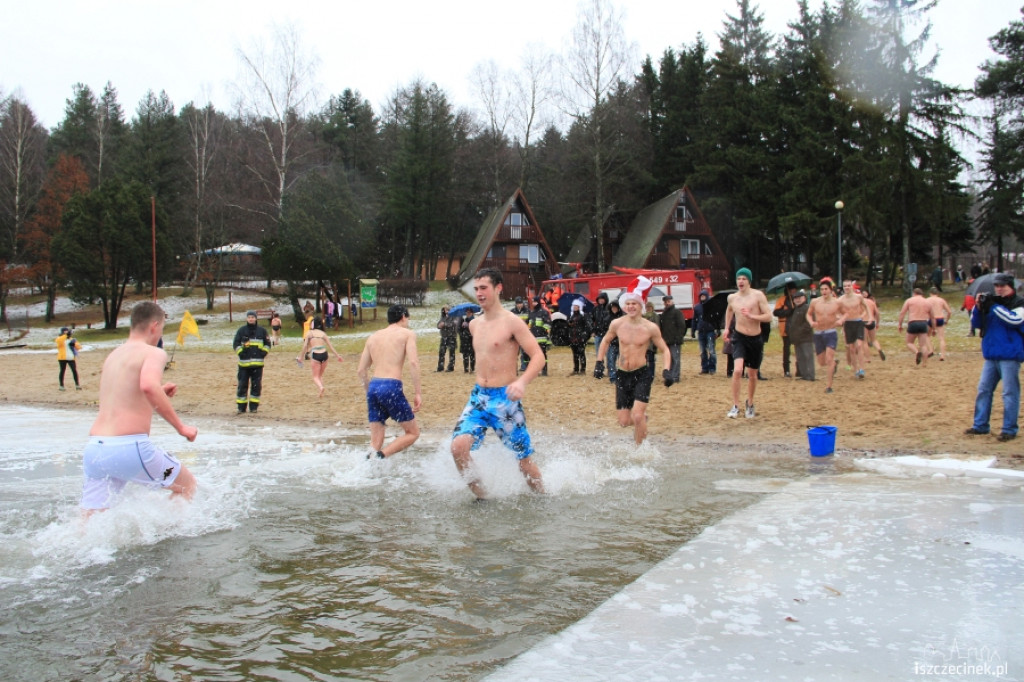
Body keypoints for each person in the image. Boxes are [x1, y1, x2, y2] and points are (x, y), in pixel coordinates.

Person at [80, 302, 198, 517]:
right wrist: (181, 427)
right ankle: (168, 538)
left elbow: (123, 396)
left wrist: (159, 391)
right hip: (130, 448)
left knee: (92, 517)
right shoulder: (153, 353)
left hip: (96, 449)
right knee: (186, 485)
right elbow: (147, 386)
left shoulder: (114, 355)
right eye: (161, 328)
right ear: (154, 326)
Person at [451, 268, 545, 499]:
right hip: (478, 398)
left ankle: (544, 498)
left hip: (506, 400)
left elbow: (538, 357)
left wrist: (522, 382)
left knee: (523, 460)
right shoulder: (474, 324)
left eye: (484, 288)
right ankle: (482, 498)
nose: (479, 293)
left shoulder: (512, 322)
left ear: (498, 288)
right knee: (458, 448)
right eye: (476, 289)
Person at [595, 277, 672, 444]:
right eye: (628, 303)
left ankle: (640, 449)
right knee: (623, 422)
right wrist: (599, 362)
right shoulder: (617, 324)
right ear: (624, 306)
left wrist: (667, 370)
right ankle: (642, 419)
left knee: (636, 416)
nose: (631, 306)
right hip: (622, 375)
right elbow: (605, 340)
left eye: (634, 304)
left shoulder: (650, 328)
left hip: (642, 375)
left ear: (641, 306)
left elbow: (665, 349)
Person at [965, 273, 1024, 442]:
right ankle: (980, 425)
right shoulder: (992, 303)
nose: (999, 289)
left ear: (1010, 286)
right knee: (984, 390)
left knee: (1009, 393)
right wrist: (978, 307)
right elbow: (976, 323)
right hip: (991, 355)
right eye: (997, 286)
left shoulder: (1019, 303)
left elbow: (1014, 320)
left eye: (1002, 286)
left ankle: (1009, 429)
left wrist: (993, 307)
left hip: (1010, 355)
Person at [357, 304, 422, 458]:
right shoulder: (407, 334)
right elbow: (413, 363)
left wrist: (369, 392)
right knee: (412, 433)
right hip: (391, 386)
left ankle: (368, 465)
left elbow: (361, 370)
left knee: (375, 441)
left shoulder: (373, 337)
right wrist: (418, 392)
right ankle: (382, 455)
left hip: (373, 386)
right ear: (403, 317)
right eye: (407, 319)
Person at [724, 268, 773, 418]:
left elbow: (769, 316)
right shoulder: (732, 298)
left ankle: (750, 403)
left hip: (755, 338)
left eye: (744, 279)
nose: (741, 281)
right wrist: (726, 328)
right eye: (739, 278)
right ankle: (735, 406)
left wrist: (753, 316)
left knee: (752, 374)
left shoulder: (758, 296)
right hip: (739, 337)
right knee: (738, 370)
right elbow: (729, 311)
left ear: (749, 281)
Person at [806, 278, 844, 393]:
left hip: (831, 332)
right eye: (822, 289)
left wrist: (841, 320)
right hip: (818, 333)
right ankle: (834, 363)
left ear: (831, 290)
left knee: (829, 359)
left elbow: (846, 313)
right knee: (822, 362)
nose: (824, 291)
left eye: (826, 289)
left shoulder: (837, 302)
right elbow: (808, 314)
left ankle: (829, 386)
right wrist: (811, 322)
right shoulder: (815, 302)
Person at [233, 309, 271, 413]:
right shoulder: (241, 331)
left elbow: (268, 344)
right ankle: (241, 407)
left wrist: (263, 353)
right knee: (242, 385)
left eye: (253, 317)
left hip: (257, 364)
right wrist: (240, 352)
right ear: (246, 318)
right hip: (244, 365)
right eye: (249, 317)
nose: (251, 319)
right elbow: (235, 344)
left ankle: (253, 407)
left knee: (256, 386)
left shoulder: (262, 331)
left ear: (256, 318)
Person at [296, 317, 343, 398]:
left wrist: (301, 357)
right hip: (325, 354)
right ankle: (321, 392)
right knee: (320, 376)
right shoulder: (323, 334)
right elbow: (331, 347)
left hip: (316, 355)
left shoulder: (309, 333)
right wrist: (337, 356)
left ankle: (321, 388)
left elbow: (304, 346)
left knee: (315, 377)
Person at [837, 279, 869, 378]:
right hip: (848, 323)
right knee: (851, 348)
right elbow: (836, 312)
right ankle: (856, 370)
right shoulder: (840, 300)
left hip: (858, 322)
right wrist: (841, 319)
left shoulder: (858, 297)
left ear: (852, 287)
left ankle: (862, 369)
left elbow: (866, 307)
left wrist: (863, 315)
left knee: (859, 345)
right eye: (845, 286)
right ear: (843, 287)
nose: (847, 287)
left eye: (848, 286)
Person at [897, 288, 934, 366]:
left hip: (913, 322)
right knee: (923, 345)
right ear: (922, 294)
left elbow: (902, 313)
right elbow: (932, 317)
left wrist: (900, 324)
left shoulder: (909, 301)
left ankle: (917, 352)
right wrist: (933, 328)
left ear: (914, 293)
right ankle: (925, 363)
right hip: (924, 323)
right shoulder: (927, 302)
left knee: (909, 342)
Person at [772, 282, 798, 377]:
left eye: (795, 290)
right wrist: (787, 311)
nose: (793, 292)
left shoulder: (797, 299)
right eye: (791, 290)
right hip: (785, 327)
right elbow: (776, 312)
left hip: (796, 327)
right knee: (786, 349)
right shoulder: (782, 300)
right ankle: (786, 370)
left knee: (798, 348)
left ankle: (799, 368)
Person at [788, 290, 815, 381]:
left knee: (808, 356)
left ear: (804, 298)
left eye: (799, 298)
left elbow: (809, 322)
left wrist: (800, 330)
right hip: (797, 338)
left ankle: (810, 375)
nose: (797, 300)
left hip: (806, 338)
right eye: (795, 298)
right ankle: (804, 374)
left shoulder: (807, 308)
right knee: (800, 357)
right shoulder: (795, 309)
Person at [659, 294, 685, 384]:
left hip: (675, 340)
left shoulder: (677, 312)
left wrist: (679, 337)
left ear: (672, 301)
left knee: (675, 358)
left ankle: (675, 376)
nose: (667, 303)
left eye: (668, 301)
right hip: (666, 340)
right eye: (665, 302)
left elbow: (682, 325)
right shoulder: (664, 314)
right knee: (668, 359)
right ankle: (669, 376)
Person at [692, 289, 718, 375]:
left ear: (707, 296)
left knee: (711, 350)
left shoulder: (712, 306)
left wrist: (717, 329)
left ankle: (712, 368)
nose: (702, 297)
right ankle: (704, 368)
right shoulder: (697, 307)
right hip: (701, 332)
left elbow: (716, 318)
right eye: (701, 296)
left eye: (704, 296)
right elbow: (694, 319)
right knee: (702, 351)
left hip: (710, 331)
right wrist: (693, 330)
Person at [527, 296, 552, 376]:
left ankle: (544, 371)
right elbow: (529, 323)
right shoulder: (531, 313)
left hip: (542, 338)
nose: (534, 304)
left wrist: (542, 330)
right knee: (534, 356)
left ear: (538, 302)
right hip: (533, 338)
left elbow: (548, 323)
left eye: (535, 302)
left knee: (543, 354)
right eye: (533, 302)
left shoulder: (544, 312)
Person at [927, 287, 953, 361]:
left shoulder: (927, 300)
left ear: (930, 293)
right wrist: (947, 320)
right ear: (937, 293)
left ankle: (931, 349)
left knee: (926, 335)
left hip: (932, 319)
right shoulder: (941, 300)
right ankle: (942, 356)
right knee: (941, 338)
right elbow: (949, 312)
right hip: (940, 318)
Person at [567, 298, 591, 375]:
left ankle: (583, 370)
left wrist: (585, 336)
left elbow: (587, 326)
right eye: (574, 306)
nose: (575, 307)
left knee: (582, 354)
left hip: (580, 338)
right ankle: (576, 369)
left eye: (576, 306)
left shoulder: (583, 316)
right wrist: (569, 324)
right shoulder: (571, 316)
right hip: (573, 338)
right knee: (575, 355)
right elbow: (570, 327)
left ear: (579, 307)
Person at [56, 326, 82, 391]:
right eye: (65, 331)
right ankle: (61, 385)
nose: (66, 332)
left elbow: (79, 347)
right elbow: (59, 341)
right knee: (62, 371)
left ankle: (77, 384)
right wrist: (66, 335)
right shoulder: (59, 338)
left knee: (74, 370)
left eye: (67, 331)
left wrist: (74, 344)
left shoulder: (71, 339)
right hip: (62, 358)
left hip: (70, 357)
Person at [862, 290, 885, 361]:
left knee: (864, 341)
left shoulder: (860, 302)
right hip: (872, 321)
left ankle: (868, 358)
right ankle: (879, 349)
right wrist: (877, 323)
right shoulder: (872, 302)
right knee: (874, 340)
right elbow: (877, 313)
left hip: (864, 321)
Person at [589, 292, 612, 364]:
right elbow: (591, 320)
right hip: (597, 334)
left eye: (602, 299)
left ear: (605, 299)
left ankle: (610, 369)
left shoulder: (609, 308)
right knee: (599, 353)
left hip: (607, 334)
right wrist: (592, 331)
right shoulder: (595, 309)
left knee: (609, 353)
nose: (601, 300)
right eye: (599, 299)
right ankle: (600, 369)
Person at [436, 306, 458, 372]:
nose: (447, 311)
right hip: (444, 337)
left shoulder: (454, 316)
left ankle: (451, 367)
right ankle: (440, 367)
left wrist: (445, 324)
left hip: (452, 337)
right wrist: (439, 325)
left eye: (448, 310)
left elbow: (454, 324)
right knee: (441, 352)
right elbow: (438, 325)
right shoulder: (443, 317)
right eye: (445, 310)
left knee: (452, 352)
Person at [512, 296, 531, 371]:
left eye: (520, 303)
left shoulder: (527, 311)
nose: (519, 305)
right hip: (515, 334)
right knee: (515, 352)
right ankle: (514, 367)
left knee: (524, 351)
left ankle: (524, 366)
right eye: (518, 303)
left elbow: (530, 321)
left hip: (524, 334)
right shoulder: (512, 312)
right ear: (516, 304)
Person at [458, 307, 476, 373]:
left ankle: (472, 368)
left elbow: (475, 330)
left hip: (471, 340)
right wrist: (461, 326)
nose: (467, 314)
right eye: (466, 312)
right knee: (465, 355)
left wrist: (468, 326)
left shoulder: (474, 320)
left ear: (472, 313)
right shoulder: (464, 320)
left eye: (469, 312)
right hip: (464, 340)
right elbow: (459, 330)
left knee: (472, 356)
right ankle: (465, 368)